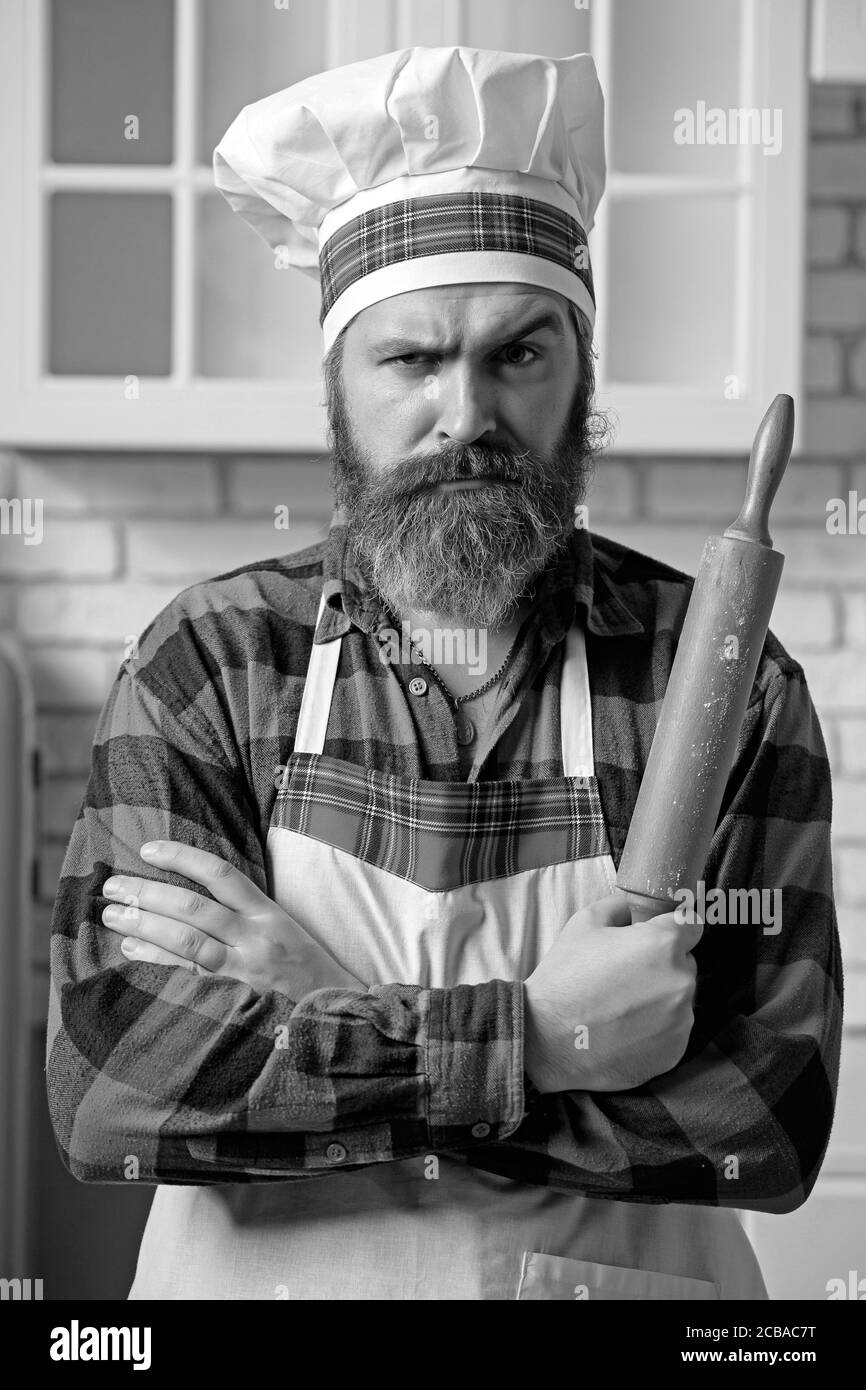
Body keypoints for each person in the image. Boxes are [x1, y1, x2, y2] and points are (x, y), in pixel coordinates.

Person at [46, 47, 842, 1301]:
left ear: (579, 376)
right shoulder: (208, 663)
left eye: (516, 355)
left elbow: (755, 1127)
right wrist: (539, 1036)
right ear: (338, 389)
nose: (463, 413)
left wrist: (325, 1011)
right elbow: (118, 1098)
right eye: (411, 360)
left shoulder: (720, 674)